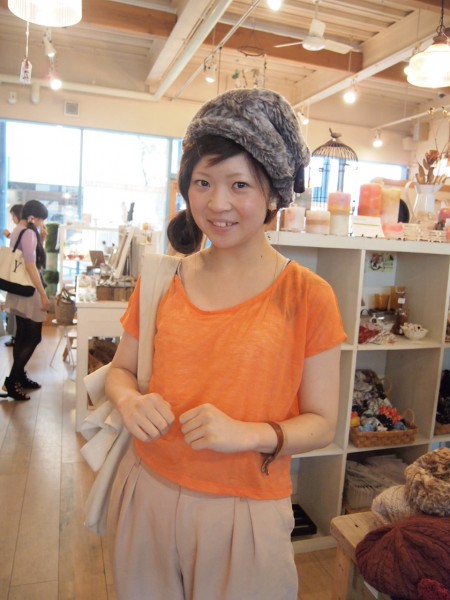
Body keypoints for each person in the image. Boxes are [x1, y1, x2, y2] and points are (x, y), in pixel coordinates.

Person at [105, 88, 346, 600]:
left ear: (274, 194)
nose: (217, 204)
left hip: (247, 510)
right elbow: (120, 371)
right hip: (147, 489)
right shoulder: (162, 280)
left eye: (239, 184)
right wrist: (129, 402)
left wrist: (246, 434)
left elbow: (323, 423)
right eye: (203, 183)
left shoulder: (308, 296)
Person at [2, 199, 51, 401]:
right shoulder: (29, 233)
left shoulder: (17, 231)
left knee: (22, 335)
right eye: (40, 220)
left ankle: (19, 377)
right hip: (29, 290)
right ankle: (12, 380)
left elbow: (28, 259)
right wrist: (43, 294)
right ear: (32, 218)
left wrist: (42, 240)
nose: (41, 223)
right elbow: (32, 266)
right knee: (33, 337)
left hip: (18, 289)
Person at [3, 204, 23, 347]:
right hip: (19, 274)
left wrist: (9, 235)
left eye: (13, 216)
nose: (12, 219)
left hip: (15, 274)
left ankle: (15, 336)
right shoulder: (26, 230)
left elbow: (14, 250)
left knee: (14, 308)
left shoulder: (19, 230)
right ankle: (17, 336)